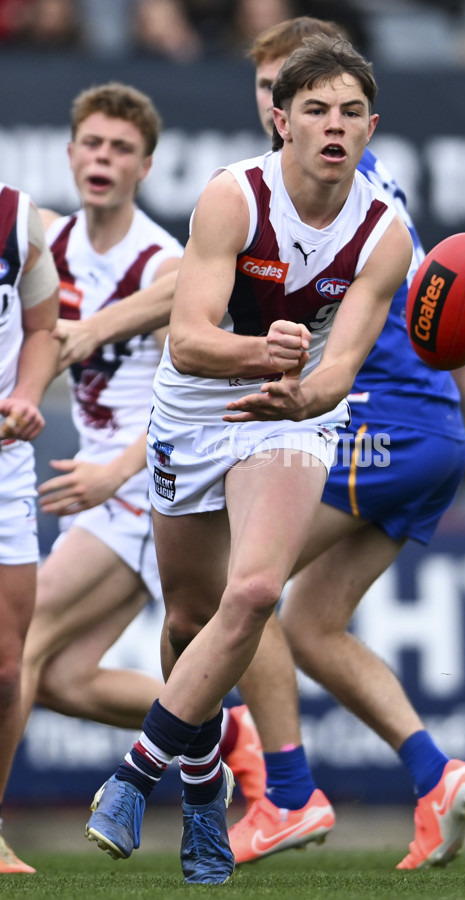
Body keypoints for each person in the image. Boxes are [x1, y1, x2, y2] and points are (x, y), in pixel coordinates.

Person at [84, 33, 414, 885]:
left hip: (290, 419)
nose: (334, 125)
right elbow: (189, 342)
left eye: (350, 112)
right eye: (316, 110)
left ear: (371, 129)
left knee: (259, 590)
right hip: (195, 410)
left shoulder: (384, 234)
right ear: (281, 121)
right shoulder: (233, 196)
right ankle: (205, 792)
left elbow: (340, 368)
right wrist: (264, 355)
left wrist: (305, 396)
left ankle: (133, 778)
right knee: (189, 623)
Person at [224, 16, 465, 871]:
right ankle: (437, 775)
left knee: (243, 583)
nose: (279, 107)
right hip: (433, 428)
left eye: (307, 97)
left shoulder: (320, 189)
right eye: (271, 89)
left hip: (381, 417)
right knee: (311, 622)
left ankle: (287, 795)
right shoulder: (352, 177)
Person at [11, 82, 183, 824]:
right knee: (64, 679)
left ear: (146, 166)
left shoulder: (164, 266)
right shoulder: (48, 243)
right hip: (98, 484)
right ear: (70, 152)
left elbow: (192, 405)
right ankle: (217, 732)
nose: (103, 159)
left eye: (121, 148)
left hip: (143, 486)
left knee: (18, 642)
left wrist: (117, 470)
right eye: (93, 143)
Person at [0, 183, 60, 874]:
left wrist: (26, 394)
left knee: (7, 668)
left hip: (5, 462)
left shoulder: (17, 219)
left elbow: (44, 328)